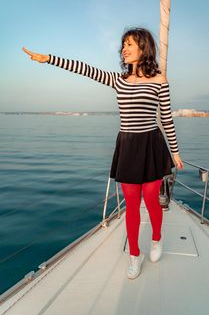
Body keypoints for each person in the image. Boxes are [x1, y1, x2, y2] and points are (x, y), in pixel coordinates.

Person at [22, 27, 184, 280]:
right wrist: (49, 59)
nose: (124, 49)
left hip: (153, 144)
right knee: (131, 204)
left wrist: (174, 152)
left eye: (130, 44)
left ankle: (156, 238)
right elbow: (85, 69)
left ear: (144, 48)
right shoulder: (118, 80)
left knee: (152, 199)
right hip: (129, 146)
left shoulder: (159, 80)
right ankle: (134, 255)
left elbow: (166, 118)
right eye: (123, 45)